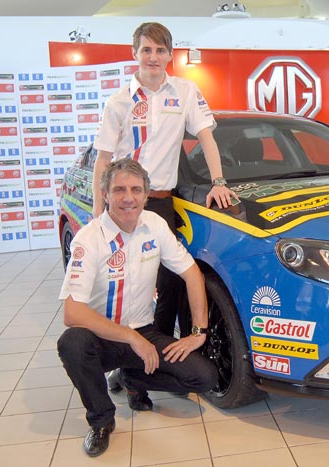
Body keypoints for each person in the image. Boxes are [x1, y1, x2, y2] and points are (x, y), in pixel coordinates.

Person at [58, 159, 218, 457]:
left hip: (144, 332)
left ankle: (130, 377)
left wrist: (198, 332)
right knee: (72, 344)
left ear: (146, 195)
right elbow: (72, 313)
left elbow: (191, 273)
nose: (128, 198)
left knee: (204, 377)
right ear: (105, 194)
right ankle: (102, 421)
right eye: (119, 190)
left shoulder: (155, 225)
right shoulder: (88, 239)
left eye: (135, 190)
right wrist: (131, 338)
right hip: (102, 338)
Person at [92, 21, 237, 339]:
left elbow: (206, 138)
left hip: (159, 201)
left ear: (170, 54)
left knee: (168, 283)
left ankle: (153, 355)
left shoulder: (185, 92)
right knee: (125, 284)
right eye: (146, 50)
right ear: (135, 53)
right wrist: (97, 216)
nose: (153, 57)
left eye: (159, 50)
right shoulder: (118, 101)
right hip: (122, 204)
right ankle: (122, 363)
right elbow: (103, 159)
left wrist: (219, 181)